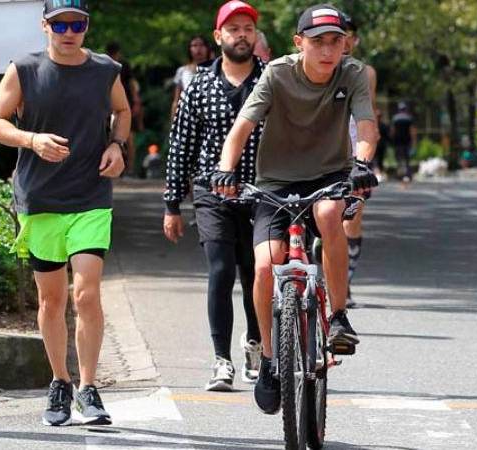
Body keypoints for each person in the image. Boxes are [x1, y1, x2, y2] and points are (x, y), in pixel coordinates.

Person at [212, 3, 379, 415]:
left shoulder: (352, 73)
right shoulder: (277, 73)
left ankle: (338, 316)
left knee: (327, 215)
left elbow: (367, 125)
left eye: (335, 41)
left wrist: (362, 163)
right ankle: (269, 358)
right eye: (318, 42)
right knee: (267, 265)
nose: (327, 50)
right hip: (275, 183)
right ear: (298, 42)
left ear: (346, 43)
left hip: (329, 175)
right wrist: (225, 170)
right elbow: (241, 129)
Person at [0, 0, 129, 426]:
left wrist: (117, 145)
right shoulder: (25, 69)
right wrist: (31, 140)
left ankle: (88, 387)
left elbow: (121, 111)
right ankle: (59, 381)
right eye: (60, 23)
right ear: (44, 25)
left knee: (86, 292)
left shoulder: (105, 70)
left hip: (91, 195)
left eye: (77, 23)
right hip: (41, 197)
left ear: (86, 26)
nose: (69, 31)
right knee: (52, 298)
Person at [163, 0, 266, 392]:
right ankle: (221, 359)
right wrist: (172, 204)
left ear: (255, 36)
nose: (242, 35)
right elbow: (181, 147)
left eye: (248, 29)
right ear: (218, 36)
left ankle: (255, 345)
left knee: (257, 272)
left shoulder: (270, 80)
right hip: (213, 192)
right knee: (222, 270)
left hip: (261, 192)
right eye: (234, 28)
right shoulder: (199, 86)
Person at [339, 13, 378, 309]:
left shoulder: (366, 72)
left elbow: (370, 114)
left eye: (349, 34)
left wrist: (366, 156)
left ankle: (345, 282)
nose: (345, 40)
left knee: (352, 220)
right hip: (323, 153)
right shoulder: (315, 69)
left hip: (357, 153)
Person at [105, 41, 142, 168]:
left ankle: (130, 166)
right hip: (107, 103)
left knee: (129, 137)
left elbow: (132, 84)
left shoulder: (123, 65)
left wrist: (136, 101)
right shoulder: (104, 65)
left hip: (125, 102)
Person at [172, 35, 214, 118]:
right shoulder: (182, 71)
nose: (198, 48)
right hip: (188, 115)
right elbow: (176, 100)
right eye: (194, 45)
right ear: (189, 49)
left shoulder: (215, 69)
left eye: (202, 45)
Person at [391, 101, 417, 183]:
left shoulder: (395, 118)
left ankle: (399, 175)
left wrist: (392, 139)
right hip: (407, 141)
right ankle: (407, 175)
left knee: (399, 159)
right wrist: (414, 141)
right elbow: (412, 131)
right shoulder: (409, 118)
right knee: (407, 159)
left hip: (398, 141)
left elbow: (393, 130)